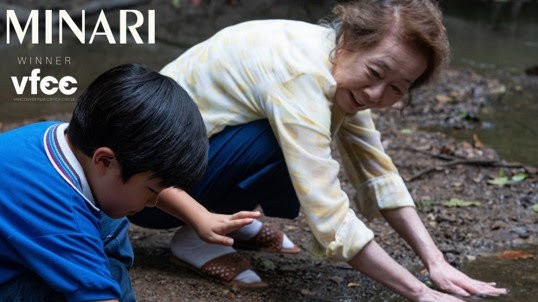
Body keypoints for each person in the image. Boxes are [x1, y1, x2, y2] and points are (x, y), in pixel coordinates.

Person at [130, 0, 508, 300]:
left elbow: (377, 171)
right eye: (376, 73)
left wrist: (435, 262)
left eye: (397, 88)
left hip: (190, 160)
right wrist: (420, 293)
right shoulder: (303, 77)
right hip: (147, 191)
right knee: (281, 141)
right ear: (349, 39)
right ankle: (196, 235)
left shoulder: (335, 63)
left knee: (290, 134)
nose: (377, 95)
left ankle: (225, 216)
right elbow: (328, 213)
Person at [0, 64, 260, 302]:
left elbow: (145, 176)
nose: (153, 201)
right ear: (104, 160)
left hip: (18, 239)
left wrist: (201, 216)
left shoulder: (64, 137)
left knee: (111, 213)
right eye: (151, 191)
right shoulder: (64, 217)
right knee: (108, 277)